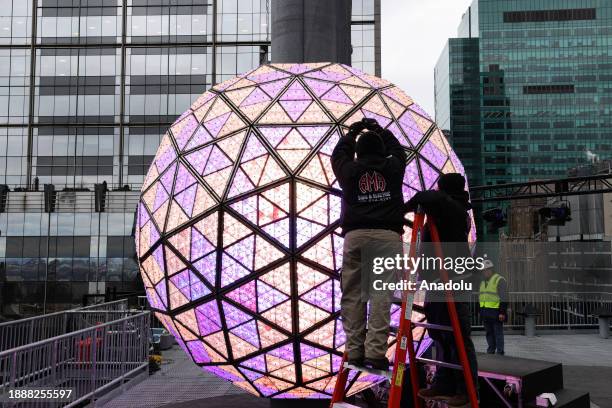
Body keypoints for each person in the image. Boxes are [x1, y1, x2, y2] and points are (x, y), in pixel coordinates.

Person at [331, 118, 407, 370]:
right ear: (381, 150)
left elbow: (338, 153)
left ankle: (354, 351)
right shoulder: (393, 167)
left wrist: (352, 132)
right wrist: (380, 130)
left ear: (358, 151)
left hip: (356, 235)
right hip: (387, 236)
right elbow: (398, 150)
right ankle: (375, 353)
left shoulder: (348, 170)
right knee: (380, 294)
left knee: (352, 294)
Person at [405, 173, 478, 408]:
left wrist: (402, 209)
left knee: (457, 337)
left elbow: (427, 197)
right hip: (437, 281)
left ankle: (465, 389)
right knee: (439, 335)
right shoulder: (450, 209)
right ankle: (444, 382)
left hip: (452, 281)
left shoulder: (455, 210)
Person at [479, 259, 507, 355]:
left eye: (487, 270)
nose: (485, 272)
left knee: (498, 333)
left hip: (496, 312)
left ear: (491, 269)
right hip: (486, 312)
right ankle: (491, 350)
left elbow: (504, 297)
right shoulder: (483, 282)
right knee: (489, 333)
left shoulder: (499, 280)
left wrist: (502, 312)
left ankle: (500, 352)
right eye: (483, 270)